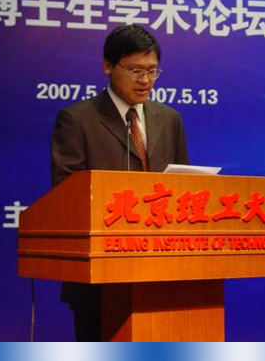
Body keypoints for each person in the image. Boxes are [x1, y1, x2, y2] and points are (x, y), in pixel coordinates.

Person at [50, 24, 189, 341]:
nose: (145, 80)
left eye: (152, 71)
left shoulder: (169, 119)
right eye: (135, 70)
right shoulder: (77, 119)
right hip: (101, 276)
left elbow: (184, 187)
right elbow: (66, 194)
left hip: (162, 272)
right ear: (108, 66)